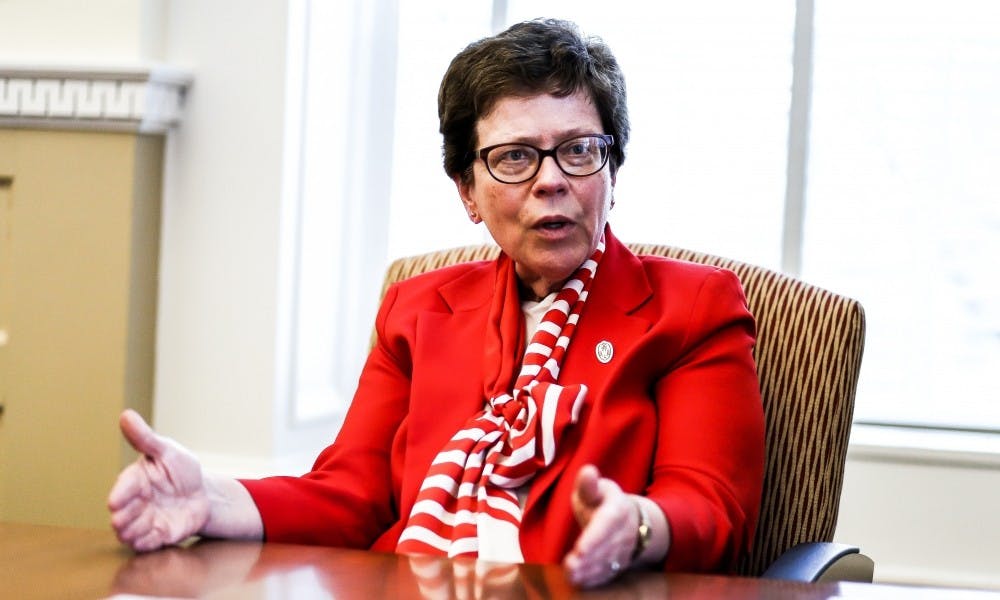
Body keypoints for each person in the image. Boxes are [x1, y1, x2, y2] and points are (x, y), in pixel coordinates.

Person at [108, 18, 765, 589]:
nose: (552, 181)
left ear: (612, 172)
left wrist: (640, 526)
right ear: (467, 192)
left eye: (579, 151)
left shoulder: (691, 308)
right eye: (515, 158)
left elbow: (711, 506)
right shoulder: (417, 310)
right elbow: (351, 495)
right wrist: (211, 498)